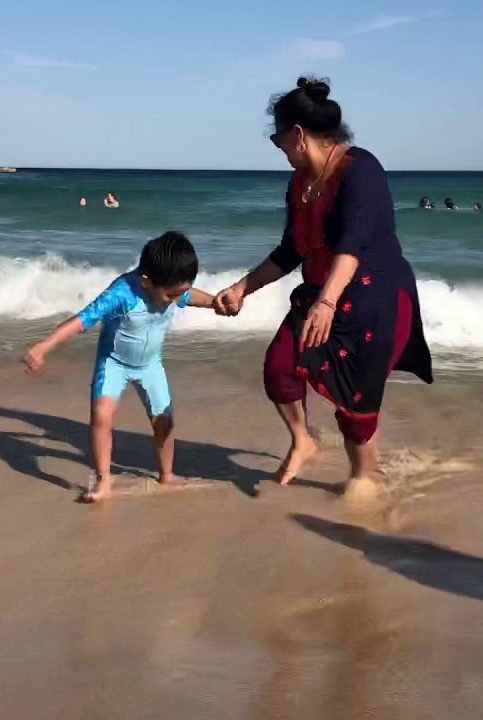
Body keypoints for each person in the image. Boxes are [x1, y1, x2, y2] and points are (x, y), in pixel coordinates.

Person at [214, 76, 433, 498]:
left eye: (277, 140)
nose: (278, 149)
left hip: (374, 300)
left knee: (357, 407)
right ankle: (303, 440)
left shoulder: (360, 169)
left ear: (297, 135)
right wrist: (243, 287)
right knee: (279, 369)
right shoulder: (298, 185)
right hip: (320, 295)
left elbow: (353, 244)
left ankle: (362, 480)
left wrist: (328, 301)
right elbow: (290, 250)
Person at [23, 232, 221, 503]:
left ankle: (167, 475)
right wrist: (44, 347)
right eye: (172, 295)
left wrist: (214, 302)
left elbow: (188, 295)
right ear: (147, 282)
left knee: (164, 420)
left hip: (150, 364)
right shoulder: (122, 293)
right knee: (101, 415)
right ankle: (104, 479)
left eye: (180, 293)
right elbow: (82, 320)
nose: (177, 300)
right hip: (114, 363)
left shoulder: (170, 288)